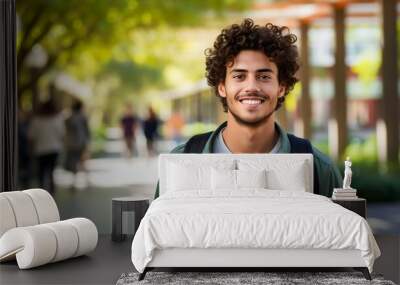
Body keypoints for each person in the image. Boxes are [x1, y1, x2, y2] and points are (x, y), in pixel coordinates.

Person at [154, 18, 341, 199]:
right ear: (221, 87)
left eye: (264, 76)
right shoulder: (181, 161)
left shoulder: (319, 170)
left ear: (281, 87)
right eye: (239, 76)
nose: (251, 86)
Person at [28, 99, 65, 194]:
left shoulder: (36, 120)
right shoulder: (57, 119)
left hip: (40, 149)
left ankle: (41, 193)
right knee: (51, 172)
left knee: (41, 172)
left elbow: (31, 136)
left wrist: (31, 149)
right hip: (54, 149)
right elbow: (62, 134)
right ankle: (52, 192)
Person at [64, 100, 91, 189]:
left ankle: (74, 182)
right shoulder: (83, 117)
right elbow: (87, 132)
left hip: (71, 143)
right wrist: (88, 143)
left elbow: (65, 130)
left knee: (73, 163)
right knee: (83, 162)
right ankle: (87, 181)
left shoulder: (69, 118)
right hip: (81, 142)